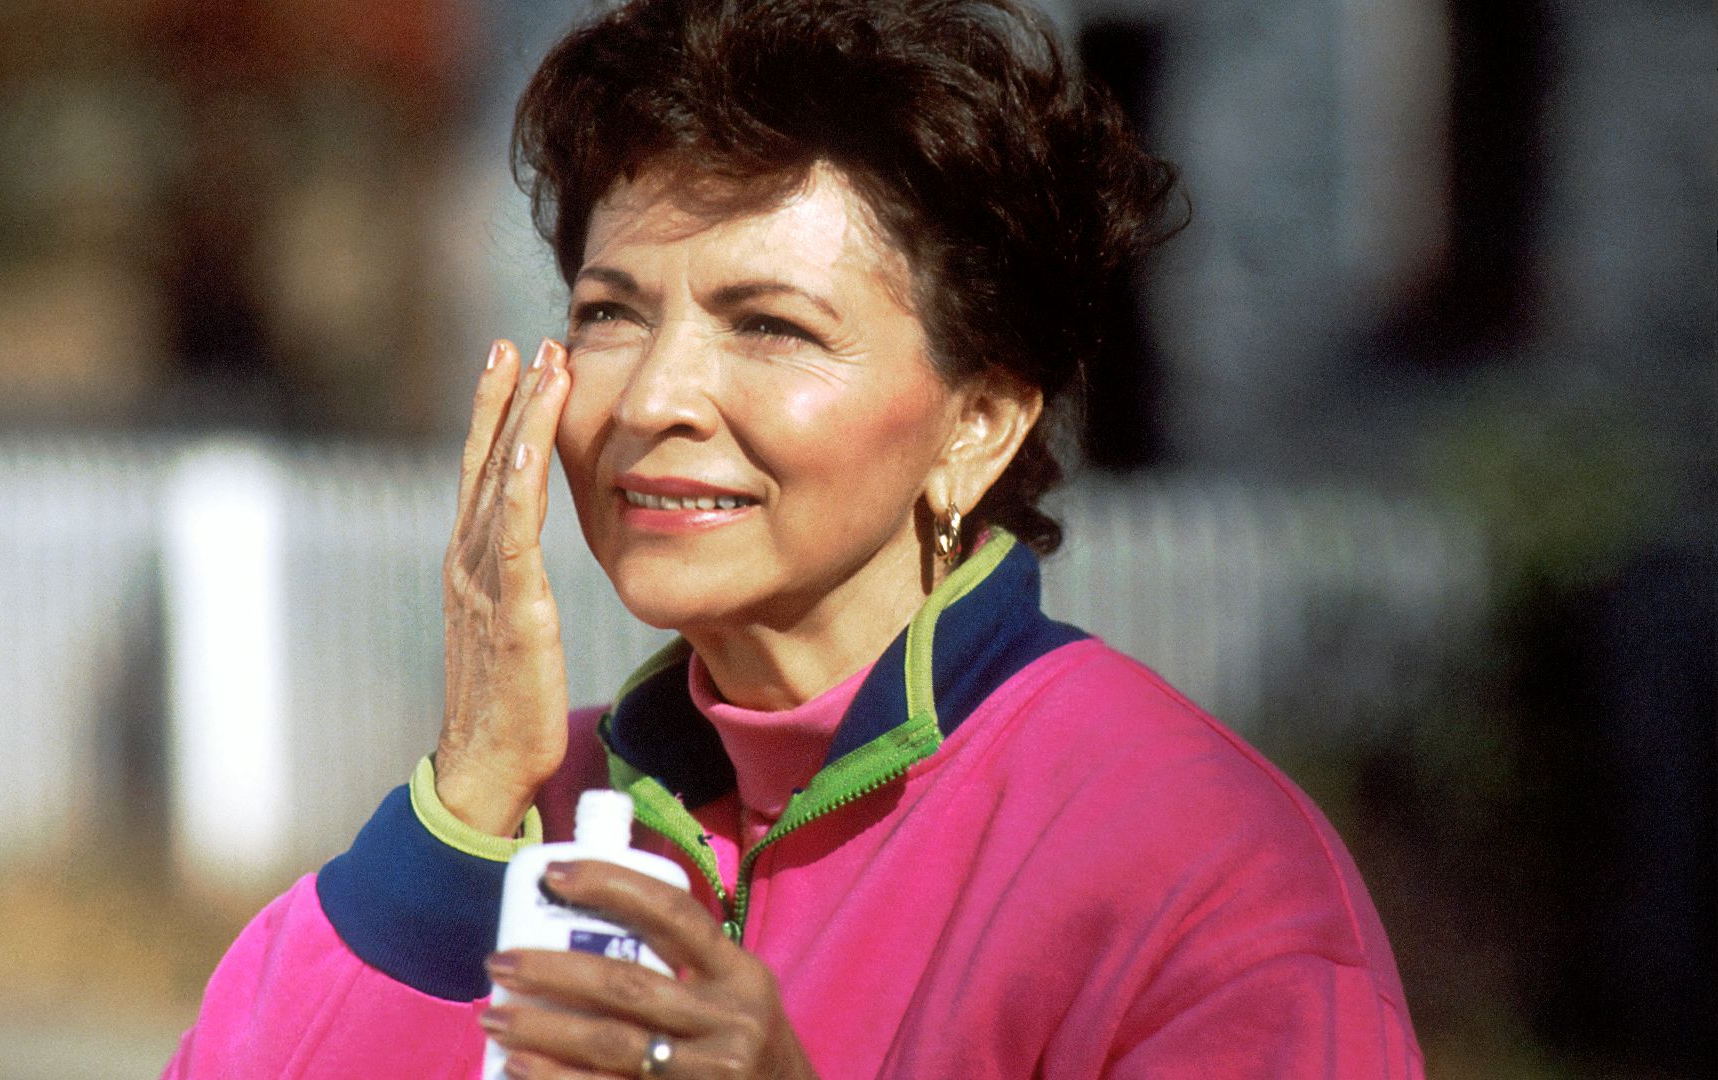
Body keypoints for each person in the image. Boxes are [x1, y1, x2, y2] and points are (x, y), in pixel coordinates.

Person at [165, 1, 1424, 1076]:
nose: (656, 397)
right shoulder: (527, 814)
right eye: (609, 313)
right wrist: (468, 800)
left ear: (979, 422)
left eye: (768, 325)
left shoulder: (1193, 868)